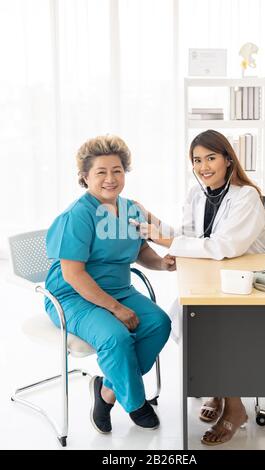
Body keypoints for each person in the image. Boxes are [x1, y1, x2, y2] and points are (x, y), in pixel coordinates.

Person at [131, 129, 265, 446]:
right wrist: (150, 220)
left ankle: (235, 409)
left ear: (227, 160)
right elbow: (189, 236)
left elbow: (223, 246)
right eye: (197, 160)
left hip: (247, 286)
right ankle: (217, 389)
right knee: (182, 315)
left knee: (211, 326)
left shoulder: (246, 197)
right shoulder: (199, 193)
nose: (203, 166)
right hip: (212, 278)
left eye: (211, 157)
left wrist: (168, 240)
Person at [44, 134, 174, 434]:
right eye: (101, 172)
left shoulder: (132, 209)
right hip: (72, 296)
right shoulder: (77, 215)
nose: (110, 179)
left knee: (159, 322)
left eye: (117, 170)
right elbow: (73, 274)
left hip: (118, 289)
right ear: (85, 177)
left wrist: (163, 264)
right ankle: (136, 403)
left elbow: (141, 250)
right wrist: (116, 309)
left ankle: (107, 390)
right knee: (116, 337)